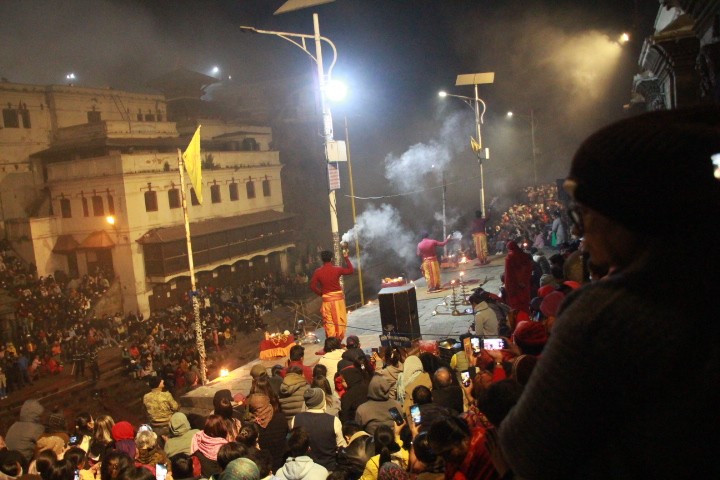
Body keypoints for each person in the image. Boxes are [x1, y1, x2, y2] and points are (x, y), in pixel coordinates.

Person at [498, 107, 720, 479]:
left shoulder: (605, 315)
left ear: (623, 213)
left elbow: (523, 452)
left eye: (584, 213)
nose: (582, 236)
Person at [291, 387, 346, 471]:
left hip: (303, 470)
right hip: (328, 469)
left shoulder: (296, 419)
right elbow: (341, 446)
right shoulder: (334, 421)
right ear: (322, 402)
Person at [309, 250, 354, 341]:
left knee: (329, 322)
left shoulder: (318, 272)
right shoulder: (337, 269)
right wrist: (346, 257)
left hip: (327, 301)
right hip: (338, 301)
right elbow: (351, 270)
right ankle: (338, 340)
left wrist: (321, 293)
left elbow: (312, 286)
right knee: (340, 320)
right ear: (331, 258)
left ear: (322, 259)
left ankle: (331, 343)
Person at [502, 241, 533, 313]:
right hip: (524, 284)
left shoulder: (509, 258)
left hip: (514, 285)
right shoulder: (524, 255)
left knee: (516, 306)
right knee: (525, 303)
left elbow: (508, 274)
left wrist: (508, 287)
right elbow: (529, 270)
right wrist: (524, 281)